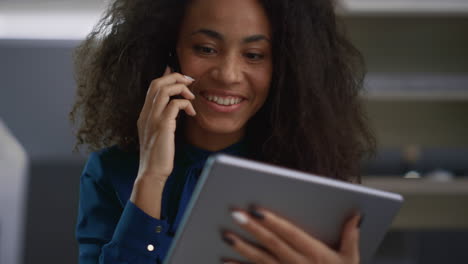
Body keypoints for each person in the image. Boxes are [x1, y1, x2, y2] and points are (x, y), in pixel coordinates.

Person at [70, 0, 376, 263]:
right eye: (206, 48)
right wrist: (151, 177)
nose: (228, 75)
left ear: (286, 66)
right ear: (169, 50)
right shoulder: (110, 173)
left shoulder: (313, 179)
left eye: (254, 54)